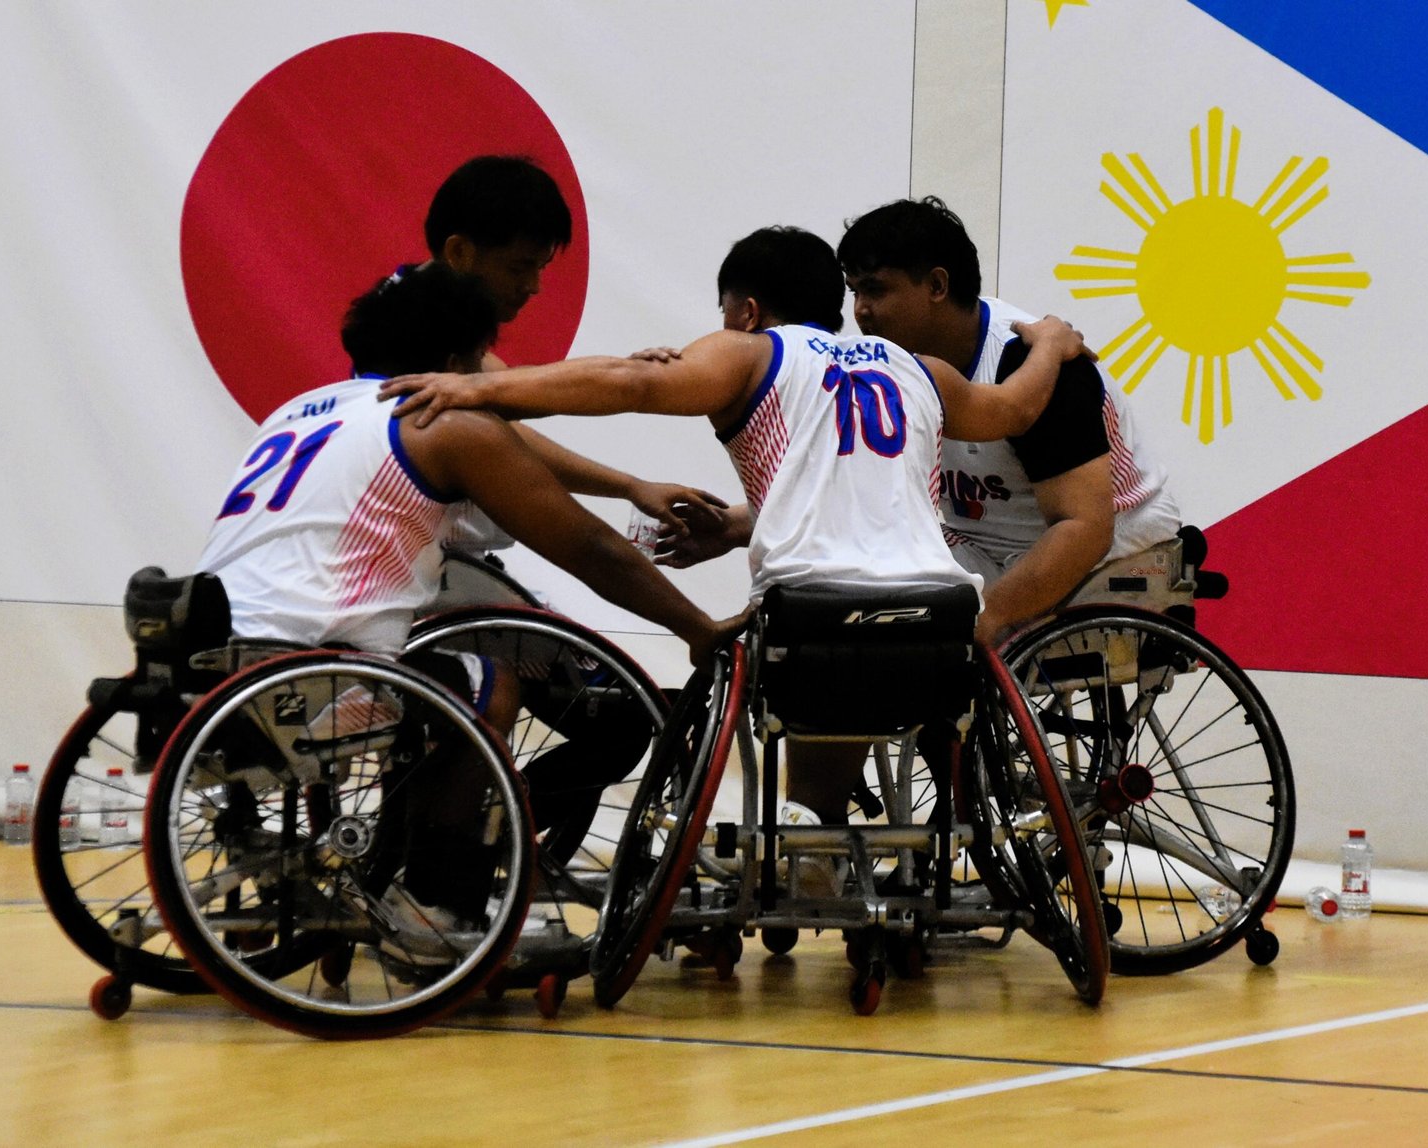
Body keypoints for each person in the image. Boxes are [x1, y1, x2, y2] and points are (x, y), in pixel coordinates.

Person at [375, 225, 1091, 870]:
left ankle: (792, 837)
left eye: (724, 316)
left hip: (809, 619)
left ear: (746, 311)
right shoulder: (920, 370)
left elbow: (628, 384)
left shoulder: (751, 353)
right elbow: (1015, 408)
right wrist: (1053, 345)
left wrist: (476, 392)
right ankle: (826, 834)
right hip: (936, 623)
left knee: (767, 675)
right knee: (873, 697)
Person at [198, 263, 742, 932]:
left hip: (210, 660)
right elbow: (588, 548)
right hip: (311, 672)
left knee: (453, 664)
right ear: (459, 365)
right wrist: (695, 624)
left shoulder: (302, 411)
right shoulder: (444, 424)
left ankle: (427, 861)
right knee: (487, 681)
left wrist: (625, 483)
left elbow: (491, 494)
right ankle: (436, 901)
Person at [837, 197, 1182, 644]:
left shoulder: (1032, 362)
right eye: (854, 292)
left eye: (876, 289)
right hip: (985, 547)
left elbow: (1085, 530)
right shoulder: (892, 367)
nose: (860, 310)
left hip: (1109, 545)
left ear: (938, 285)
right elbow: (853, 487)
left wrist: (993, 614)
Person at [409, 154, 724, 566]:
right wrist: (622, 378)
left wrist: (630, 484)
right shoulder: (410, 332)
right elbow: (503, 417)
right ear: (459, 251)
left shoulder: (447, 337)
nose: (534, 286)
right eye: (520, 266)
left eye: (540, 268)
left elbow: (506, 418)